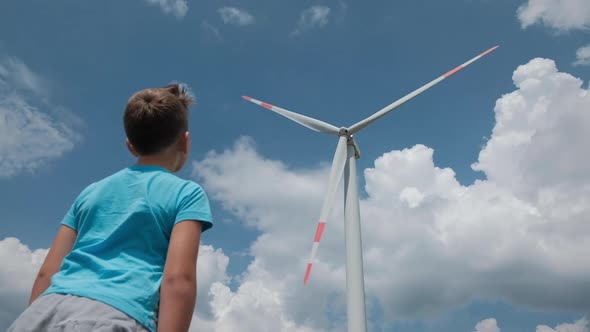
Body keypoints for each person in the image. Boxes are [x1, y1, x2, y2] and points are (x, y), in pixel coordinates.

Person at [8, 84, 213, 332]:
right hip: (115, 315)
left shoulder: (90, 192)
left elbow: (47, 271)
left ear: (130, 145)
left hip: (44, 309)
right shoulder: (187, 194)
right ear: (185, 141)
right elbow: (178, 279)